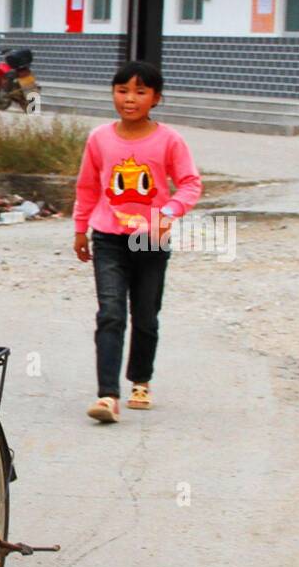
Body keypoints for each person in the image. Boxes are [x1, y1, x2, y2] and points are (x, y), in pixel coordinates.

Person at [72, 60, 202, 423]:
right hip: (108, 237)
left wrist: (169, 212)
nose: (130, 99)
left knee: (145, 315)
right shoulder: (99, 138)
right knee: (110, 314)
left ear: (156, 98)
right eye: (122, 90)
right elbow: (86, 186)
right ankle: (107, 395)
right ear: (113, 94)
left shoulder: (169, 140)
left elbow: (190, 183)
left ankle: (140, 381)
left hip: (150, 241)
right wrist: (81, 228)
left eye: (140, 92)